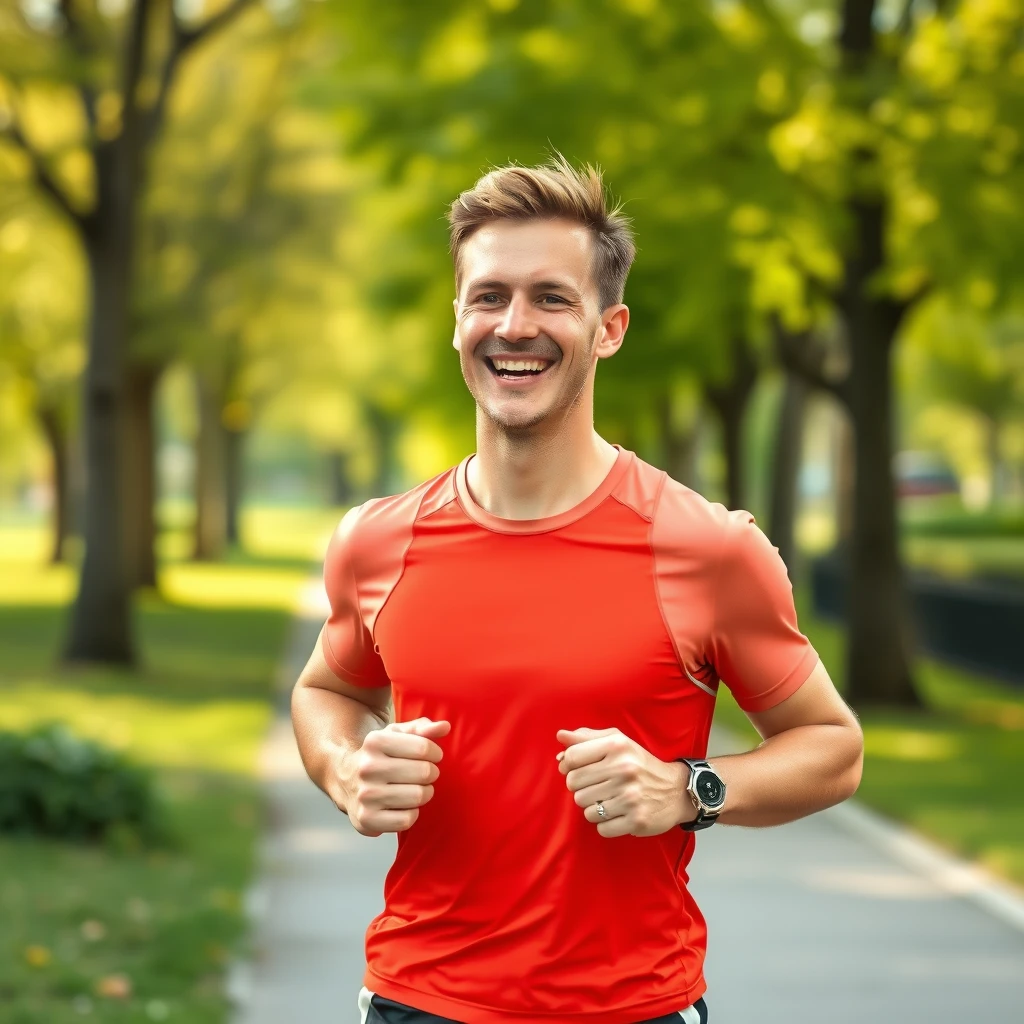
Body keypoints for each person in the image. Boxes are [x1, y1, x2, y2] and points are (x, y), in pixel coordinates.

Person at [291, 156, 864, 1024]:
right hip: (415, 1002)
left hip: (632, 1009)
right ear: (457, 321)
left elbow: (832, 746)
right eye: (488, 297)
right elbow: (327, 690)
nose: (514, 325)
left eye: (552, 298)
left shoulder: (705, 547)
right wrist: (345, 769)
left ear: (610, 328)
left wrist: (690, 790)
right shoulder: (377, 540)